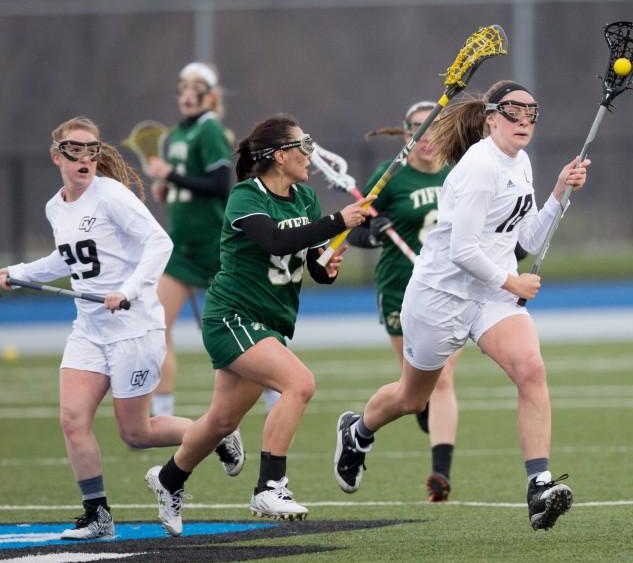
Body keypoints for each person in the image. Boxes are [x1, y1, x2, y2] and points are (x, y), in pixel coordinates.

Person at [333, 81, 590, 531]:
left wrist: (557, 193)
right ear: (491, 118)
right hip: (440, 296)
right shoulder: (478, 168)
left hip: (490, 297)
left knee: (531, 370)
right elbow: (462, 251)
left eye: (532, 112)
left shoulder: (521, 162)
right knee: (413, 399)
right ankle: (357, 432)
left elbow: (527, 239)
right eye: (514, 111)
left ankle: (539, 485)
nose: (524, 120)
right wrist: (513, 280)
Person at [0, 117, 243, 541]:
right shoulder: (56, 207)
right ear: (57, 155)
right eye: (75, 149)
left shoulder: (111, 196)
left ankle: (216, 432)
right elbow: (66, 260)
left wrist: (128, 290)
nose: (85, 157)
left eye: (92, 148)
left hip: (134, 329)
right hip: (89, 329)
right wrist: (17, 273)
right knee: (72, 420)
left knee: (136, 433)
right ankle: (98, 516)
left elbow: (159, 242)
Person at [145, 114, 373, 536]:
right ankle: (270, 485)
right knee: (299, 383)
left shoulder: (304, 199)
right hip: (232, 316)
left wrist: (329, 265)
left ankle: (169, 479)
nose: (309, 155)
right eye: (301, 147)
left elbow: (313, 264)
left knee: (219, 423)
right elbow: (276, 241)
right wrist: (340, 220)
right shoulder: (246, 197)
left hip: (270, 322)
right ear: (279, 156)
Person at [347, 101, 461, 502]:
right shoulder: (390, 177)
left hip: (449, 290)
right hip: (401, 289)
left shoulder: (458, 174)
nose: (425, 136)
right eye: (417, 128)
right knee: (415, 395)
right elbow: (355, 232)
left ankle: (440, 476)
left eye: (433, 127)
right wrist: (374, 231)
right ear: (405, 132)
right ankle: (359, 428)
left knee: (443, 377)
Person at [144, 62, 233, 418]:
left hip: (214, 245)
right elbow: (188, 184)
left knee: (234, 331)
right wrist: (169, 189)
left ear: (210, 95)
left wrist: (172, 176)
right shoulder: (177, 135)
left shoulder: (209, 129)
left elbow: (218, 184)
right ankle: (162, 414)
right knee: (155, 327)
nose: (187, 93)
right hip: (180, 247)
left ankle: (274, 394)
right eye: (182, 86)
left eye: (196, 86)